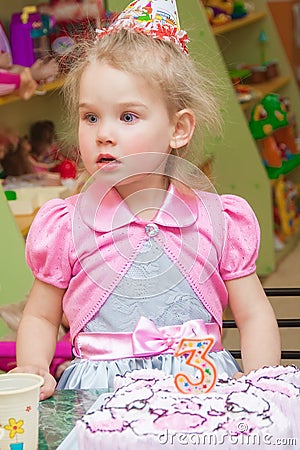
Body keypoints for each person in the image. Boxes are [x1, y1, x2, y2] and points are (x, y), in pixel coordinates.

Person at [11, 0, 281, 400]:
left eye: (128, 117)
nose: (104, 134)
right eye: (91, 117)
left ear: (179, 128)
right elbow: (39, 314)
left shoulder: (217, 219)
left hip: (202, 393)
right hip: (101, 398)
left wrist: (262, 385)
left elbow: (254, 314)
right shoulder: (67, 225)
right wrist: (34, 366)